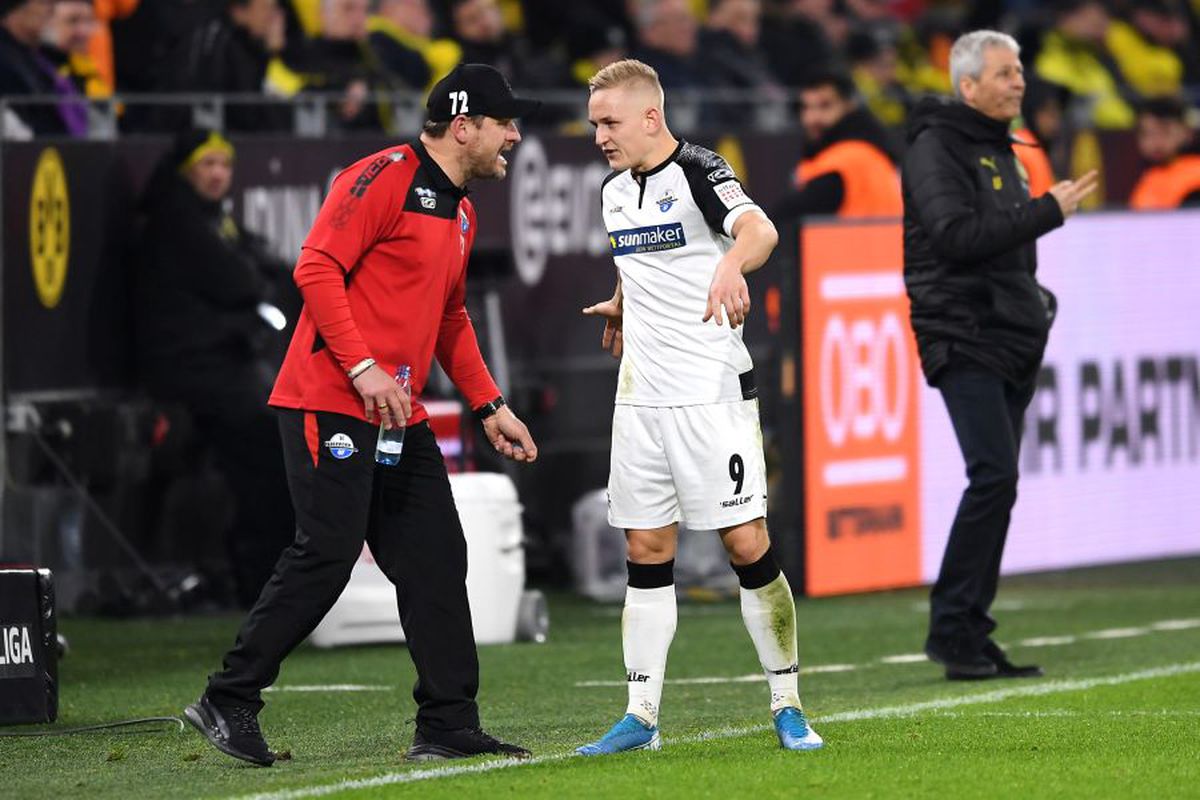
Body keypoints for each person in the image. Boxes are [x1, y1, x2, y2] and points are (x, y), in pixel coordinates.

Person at [183, 63, 542, 767]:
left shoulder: (461, 210)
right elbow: (315, 268)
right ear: (463, 126)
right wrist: (361, 365)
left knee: (437, 554)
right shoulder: (381, 176)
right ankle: (229, 696)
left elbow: (450, 318)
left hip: (395, 414)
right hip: (330, 398)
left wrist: (490, 404)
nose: (516, 136)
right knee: (327, 553)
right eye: (505, 124)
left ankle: (446, 722)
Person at [576, 59, 822, 756]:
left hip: (710, 394)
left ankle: (788, 703)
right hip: (641, 398)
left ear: (650, 117)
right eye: (595, 123)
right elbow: (641, 261)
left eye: (610, 122)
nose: (599, 136)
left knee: (746, 544)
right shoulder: (613, 192)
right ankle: (640, 716)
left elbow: (760, 231)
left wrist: (729, 263)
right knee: (645, 549)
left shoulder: (700, 170)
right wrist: (624, 303)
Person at [903, 30, 1098, 681]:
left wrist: (1034, 300)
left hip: (1008, 333)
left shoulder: (1003, 150)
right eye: (1006, 73)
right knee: (994, 475)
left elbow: (1005, 246)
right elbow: (956, 237)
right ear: (969, 87)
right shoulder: (936, 149)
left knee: (1000, 482)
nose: (1020, 82)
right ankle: (953, 628)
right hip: (963, 332)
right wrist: (1047, 211)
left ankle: (969, 630)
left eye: (1019, 70)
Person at [134, 129, 297, 609]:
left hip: (218, 365)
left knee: (269, 440)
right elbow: (240, 278)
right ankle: (260, 578)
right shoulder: (178, 220)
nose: (217, 175)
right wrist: (255, 300)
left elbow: (262, 264)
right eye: (207, 165)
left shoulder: (212, 219)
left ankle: (264, 575)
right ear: (188, 171)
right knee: (267, 448)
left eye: (223, 165)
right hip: (192, 371)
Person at [774, 69, 901, 219]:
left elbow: (790, 213)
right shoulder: (874, 151)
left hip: (853, 241)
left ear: (849, 105)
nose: (811, 118)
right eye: (806, 107)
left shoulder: (845, 160)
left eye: (825, 106)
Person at [1128, 95, 1200, 209]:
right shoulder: (1150, 177)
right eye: (1147, 134)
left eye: (1164, 131)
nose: (1155, 142)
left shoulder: (1196, 174)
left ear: (1187, 132)